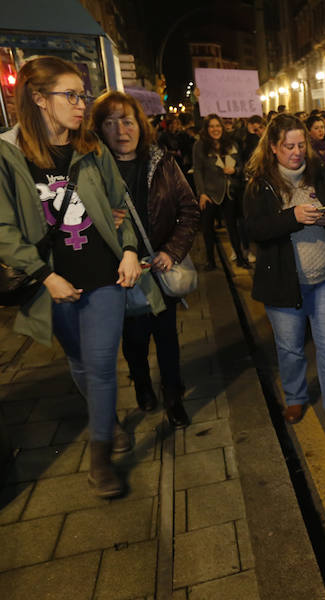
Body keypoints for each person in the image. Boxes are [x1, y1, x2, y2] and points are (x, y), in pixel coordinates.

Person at [0, 56, 164, 498]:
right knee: (78, 361)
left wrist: (129, 248)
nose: (80, 104)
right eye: (70, 95)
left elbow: (120, 203)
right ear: (38, 99)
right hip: (53, 281)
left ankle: (100, 458)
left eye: (82, 95)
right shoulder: (7, 155)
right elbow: (4, 229)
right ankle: (107, 420)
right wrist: (42, 277)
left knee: (101, 365)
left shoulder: (90, 148)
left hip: (103, 274)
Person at [243, 114, 325, 431]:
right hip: (283, 283)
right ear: (273, 147)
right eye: (289, 146)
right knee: (290, 348)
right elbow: (255, 229)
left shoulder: (320, 172)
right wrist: (293, 216)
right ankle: (295, 398)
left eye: (302, 145)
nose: (297, 151)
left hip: (324, 278)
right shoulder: (260, 184)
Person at [91, 91, 200, 427]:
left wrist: (172, 250)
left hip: (157, 268)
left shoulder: (162, 162)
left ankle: (172, 395)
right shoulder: (92, 170)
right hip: (119, 274)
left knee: (167, 336)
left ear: (140, 123)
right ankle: (141, 384)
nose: (121, 130)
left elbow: (189, 210)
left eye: (127, 120)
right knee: (134, 338)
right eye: (110, 123)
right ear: (99, 130)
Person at [193, 114, 248, 270]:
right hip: (209, 193)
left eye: (218, 126)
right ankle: (210, 261)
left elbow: (241, 165)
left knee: (233, 226)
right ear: (206, 128)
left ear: (222, 128)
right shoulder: (200, 145)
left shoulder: (231, 143)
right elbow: (197, 170)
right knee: (207, 228)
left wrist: (235, 170)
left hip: (229, 192)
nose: (215, 129)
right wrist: (202, 193)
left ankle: (240, 257)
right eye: (211, 126)